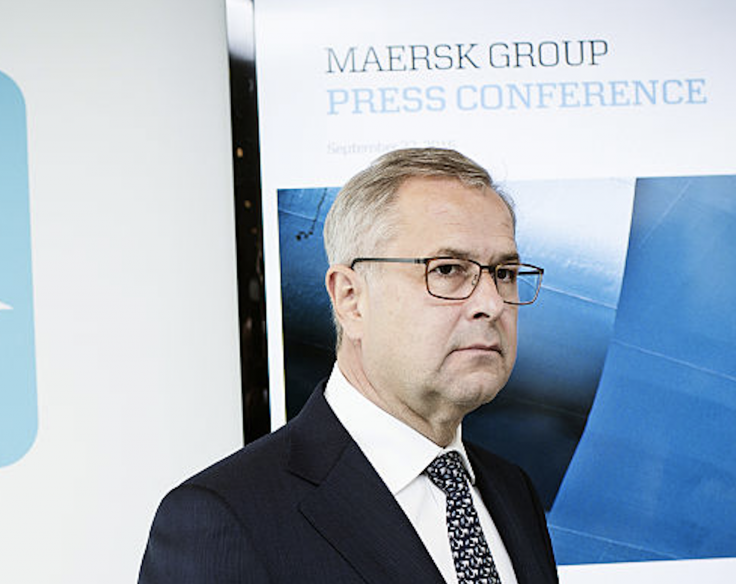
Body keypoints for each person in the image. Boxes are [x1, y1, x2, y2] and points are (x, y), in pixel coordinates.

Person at [138, 148, 558, 583]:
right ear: (350, 299)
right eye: (448, 269)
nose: (491, 303)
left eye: (504, 273)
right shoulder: (222, 518)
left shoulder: (512, 490)